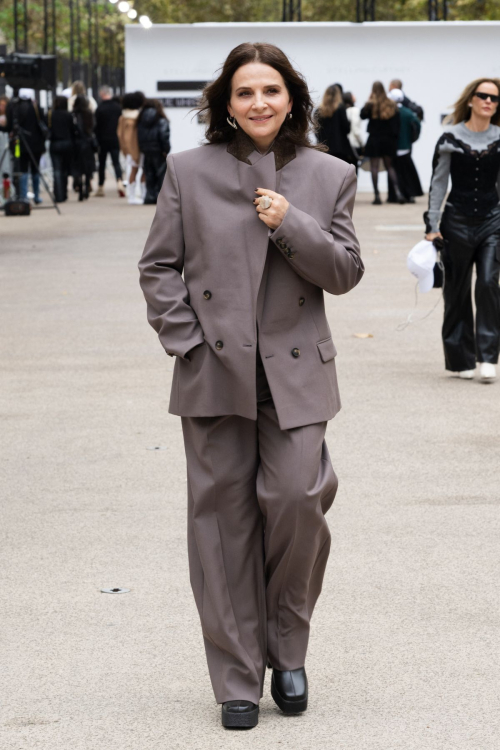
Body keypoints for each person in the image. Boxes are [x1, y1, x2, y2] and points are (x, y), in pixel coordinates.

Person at [138, 41, 364, 729]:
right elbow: (159, 269)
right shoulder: (187, 171)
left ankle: (287, 647)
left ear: (291, 97)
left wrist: (289, 222)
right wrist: (188, 344)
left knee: (299, 500)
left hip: (296, 375)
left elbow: (346, 271)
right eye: (244, 92)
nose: (259, 103)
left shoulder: (331, 175)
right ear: (226, 104)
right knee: (221, 525)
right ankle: (237, 677)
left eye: (270, 90)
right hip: (216, 373)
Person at [424, 78, 500, 383]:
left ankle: (488, 356)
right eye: (483, 96)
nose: (488, 102)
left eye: (494, 98)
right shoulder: (449, 138)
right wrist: (431, 225)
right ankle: (460, 359)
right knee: (455, 291)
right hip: (455, 222)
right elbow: (438, 183)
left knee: (488, 283)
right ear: (471, 100)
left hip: (492, 220)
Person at [361, 81, 403, 205]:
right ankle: (398, 193)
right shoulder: (391, 104)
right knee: (390, 167)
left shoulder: (371, 104)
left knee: (374, 167)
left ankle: (377, 196)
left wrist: (369, 101)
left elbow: (362, 115)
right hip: (388, 140)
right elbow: (397, 124)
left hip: (374, 139)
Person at [6, 88, 47, 204]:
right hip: (36, 145)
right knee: (35, 170)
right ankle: (36, 195)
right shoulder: (36, 107)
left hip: (20, 144)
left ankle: (24, 196)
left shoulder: (14, 107)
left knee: (23, 169)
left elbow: (10, 126)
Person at [387, 88, 423, 204]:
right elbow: (417, 125)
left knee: (394, 171)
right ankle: (410, 194)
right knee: (407, 172)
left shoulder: (389, 112)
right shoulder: (408, 113)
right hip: (405, 147)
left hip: (392, 148)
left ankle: (395, 195)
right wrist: (412, 139)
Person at [136, 98, 170, 204]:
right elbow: (164, 136)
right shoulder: (161, 119)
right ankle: (161, 198)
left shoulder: (140, 120)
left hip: (146, 151)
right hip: (159, 151)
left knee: (149, 174)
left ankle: (150, 197)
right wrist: (166, 150)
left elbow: (138, 136)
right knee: (161, 175)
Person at [94, 85, 125, 198]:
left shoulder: (100, 108)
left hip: (103, 140)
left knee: (102, 164)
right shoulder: (118, 107)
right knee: (116, 162)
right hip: (115, 139)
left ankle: (101, 187)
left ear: (102, 94)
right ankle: (120, 181)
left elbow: (96, 126)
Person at [314, 84, 356, 165]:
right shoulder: (341, 108)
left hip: (323, 148)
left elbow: (316, 131)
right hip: (339, 148)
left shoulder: (318, 111)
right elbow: (346, 129)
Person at [117, 91, 146, 204]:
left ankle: (132, 196)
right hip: (137, 148)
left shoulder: (123, 117)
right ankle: (140, 195)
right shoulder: (135, 118)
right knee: (142, 170)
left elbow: (120, 135)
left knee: (134, 171)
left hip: (129, 150)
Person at [49, 95, 74, 203]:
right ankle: (63, 193)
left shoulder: (51, 115)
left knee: (57, 170)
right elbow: (72, 130)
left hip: (55, 143)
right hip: (67, 143)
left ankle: (58, 194)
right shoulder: (68, 115)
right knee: (64, 170)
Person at [72, 95, 96, 201]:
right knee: (87, 168)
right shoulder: (89, 114)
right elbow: (93, 127)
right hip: (88, 143)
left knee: (78, 168)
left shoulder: (73, 115)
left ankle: (80, 189)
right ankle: (86, 188)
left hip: (77, 144)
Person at [343, 91, 364, 167]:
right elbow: (356, 131)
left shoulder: (343, 111)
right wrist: (362, 144)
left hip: (345, 145)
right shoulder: (355, 111)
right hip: (354, 145)